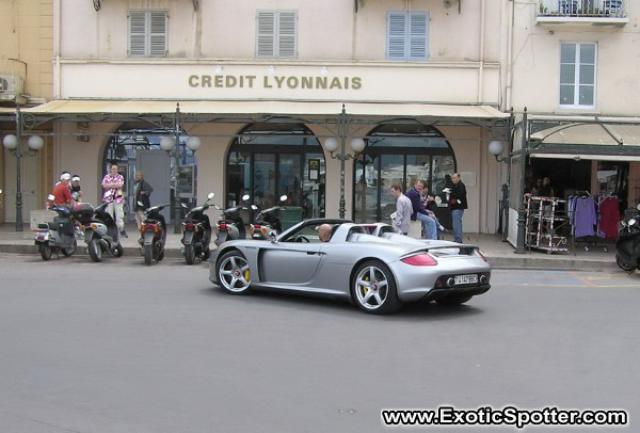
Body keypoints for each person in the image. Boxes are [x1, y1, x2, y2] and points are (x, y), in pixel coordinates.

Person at [102, 163, 127, 237]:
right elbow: (104, 185)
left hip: (118, 198)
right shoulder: (106, 176)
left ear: (117, 170)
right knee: (109, 214)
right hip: (108, 198)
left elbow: (120, 185)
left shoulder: (120, 176)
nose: (114, 170)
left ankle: (121, 229)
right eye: (113, 169)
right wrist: (114, 185)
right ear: (110, 169)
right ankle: (110, 230)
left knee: (119, 215)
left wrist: (110, 185)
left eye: (115, 169)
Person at [449, 173, 468, 243]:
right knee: (456, 223)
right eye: (452, 178)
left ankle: (458, 239)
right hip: (454, 207)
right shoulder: (454, 185)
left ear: (459, 178)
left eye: (454, 178)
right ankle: (457, 238)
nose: (453, 180)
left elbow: (459, 195)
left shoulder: (461, 185)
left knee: (456, 224)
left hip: (458, 207)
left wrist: (453, 198)